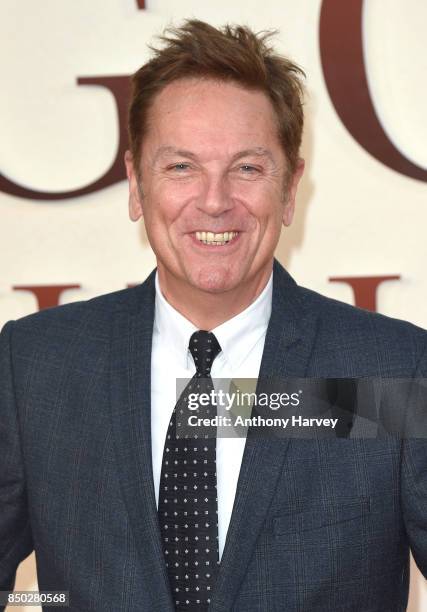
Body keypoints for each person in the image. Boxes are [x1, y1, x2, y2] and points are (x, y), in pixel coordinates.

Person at [1, 19, 426, 612]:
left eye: (248, 168)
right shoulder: (38, 365)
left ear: (289, 188)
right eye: (181, 167)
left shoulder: (393, 369)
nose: (214, 200)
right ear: (134, 182)